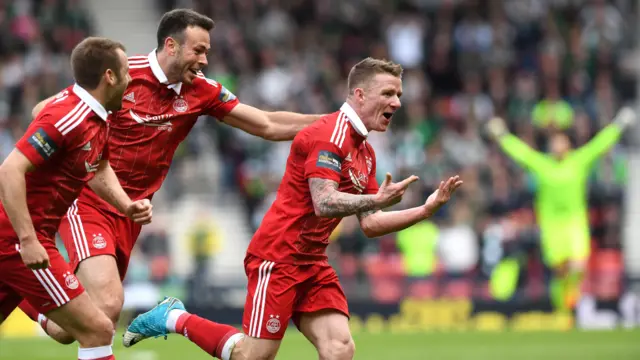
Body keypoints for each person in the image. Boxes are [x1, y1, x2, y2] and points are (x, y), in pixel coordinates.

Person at [123, 57, 463, 360]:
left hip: (312, 262)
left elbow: (371, 223)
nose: (397, 102)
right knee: (253, 356)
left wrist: (426, 210)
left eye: (399, 94)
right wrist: (375, 199)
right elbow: (325, 201)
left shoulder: (366, 152)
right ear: (359, 95)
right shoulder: (329, 135)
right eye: (389, 93)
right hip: (278, 257)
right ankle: (174, 317)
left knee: (340, 348)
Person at [16, 9, 322, 344]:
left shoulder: (202, 91)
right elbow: (43, 110)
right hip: (89, 199)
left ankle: (18, 287)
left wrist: (335, 123)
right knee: (107, 303)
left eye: (207, 51)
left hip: (131, 213)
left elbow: (266, 124)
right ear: (171, 46)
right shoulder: (122, 74)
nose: (204, 60)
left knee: (78, 326)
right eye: (198, 50)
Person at [0, 37, 153, 360]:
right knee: (97, 329)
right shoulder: (69, 115)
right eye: (126, 73)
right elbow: (10, 170)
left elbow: (98, 166)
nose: (130, 80)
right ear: (109, 76)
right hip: (16, 239)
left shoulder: (99, 119)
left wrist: (126, 205)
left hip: (21, 238)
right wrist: (28, 239)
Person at [485, 108, 635, 312]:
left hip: (575, 222)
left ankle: (570, 303)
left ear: (568, 144)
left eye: (560, 141)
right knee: (560, 272)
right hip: (551, 225)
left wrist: (619, 124)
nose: (556, 145)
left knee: (577, 266)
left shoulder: (578, 160)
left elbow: (600, 144)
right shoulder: (543, 164)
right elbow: (521, 152)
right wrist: (501, 135)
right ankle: (563, 309)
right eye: (553, 142)